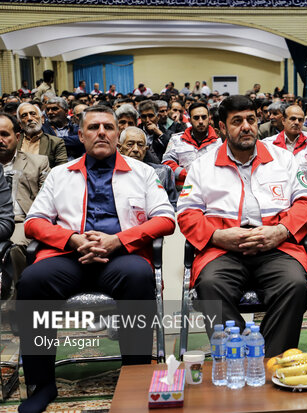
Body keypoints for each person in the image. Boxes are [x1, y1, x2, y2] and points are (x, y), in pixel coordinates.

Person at [17, 105, 175, 413]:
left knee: (139, 277)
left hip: (121, 255)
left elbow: (165, 219)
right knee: (32, 281)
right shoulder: (61, 174)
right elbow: (35, 221)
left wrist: (118, 239)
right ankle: (42, 383)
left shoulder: (142, 172)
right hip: (69, 256)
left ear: (117, 134)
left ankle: (136, 376)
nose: (101, 132)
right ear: (80, 135)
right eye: (93, 127)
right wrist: (72, 239)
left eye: (107, 127)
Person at [177, 95, 307, 357]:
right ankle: (237, 357)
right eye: (237, 121)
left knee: (295, 285)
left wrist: (280, 231)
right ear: (221, 127)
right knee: (210, 287)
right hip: (223, 249)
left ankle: (272, 360)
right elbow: (186, 213)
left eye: (251, 120)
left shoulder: (284, 159)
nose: (246, 127)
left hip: (277, 247)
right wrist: (218, 236)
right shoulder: (202, 166)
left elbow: (306, 203)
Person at [0, 112, 44, 293]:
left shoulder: (38, 162)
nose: (0, 140)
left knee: (14, 247)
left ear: (17, 137)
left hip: (23, 220)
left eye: (4, 134)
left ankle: (16, 303)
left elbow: (44, 200)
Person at [162, 102, 221, 189]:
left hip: (213, 188)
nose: (200, 121)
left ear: (209, 119)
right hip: (183, 190)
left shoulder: (219, 141)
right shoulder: (177, 140)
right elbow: (167, 162)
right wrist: (184, 174)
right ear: (189, 120)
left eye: (204, 117)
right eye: (196, 118)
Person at [118, 126, 178, 210]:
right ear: (120, 148)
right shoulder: (112, 173)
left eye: (140, 145)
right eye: (130, 144)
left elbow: (173, 205)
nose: (135, 149)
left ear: (146, 149)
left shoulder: (162, 173)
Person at [264, 104, 307, 169]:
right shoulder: (269, 143)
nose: (297, 122)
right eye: (293, 119)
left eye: (300, 120)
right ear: (283, 121)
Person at [16, 103, 68, 168]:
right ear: (20, 124)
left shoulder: (55, 142)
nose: (29, 118)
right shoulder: (14, 141)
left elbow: (62, 169)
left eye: (33, 114)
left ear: (42, 119)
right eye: (24, 115)